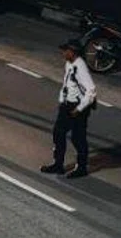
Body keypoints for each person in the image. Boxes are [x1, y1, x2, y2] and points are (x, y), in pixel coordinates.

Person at [41, 39, 96, 179]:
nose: (63, 53)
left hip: (77, 107)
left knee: (78, 138)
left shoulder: (80, 68)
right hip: (67, 105)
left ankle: (81, 168)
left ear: (72, 52)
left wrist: (79, 109)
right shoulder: (69, 64)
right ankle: (58, 164)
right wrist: (62, 101)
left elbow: (91, 90)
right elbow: (67, 84)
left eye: (65, 51)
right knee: (58, 133)